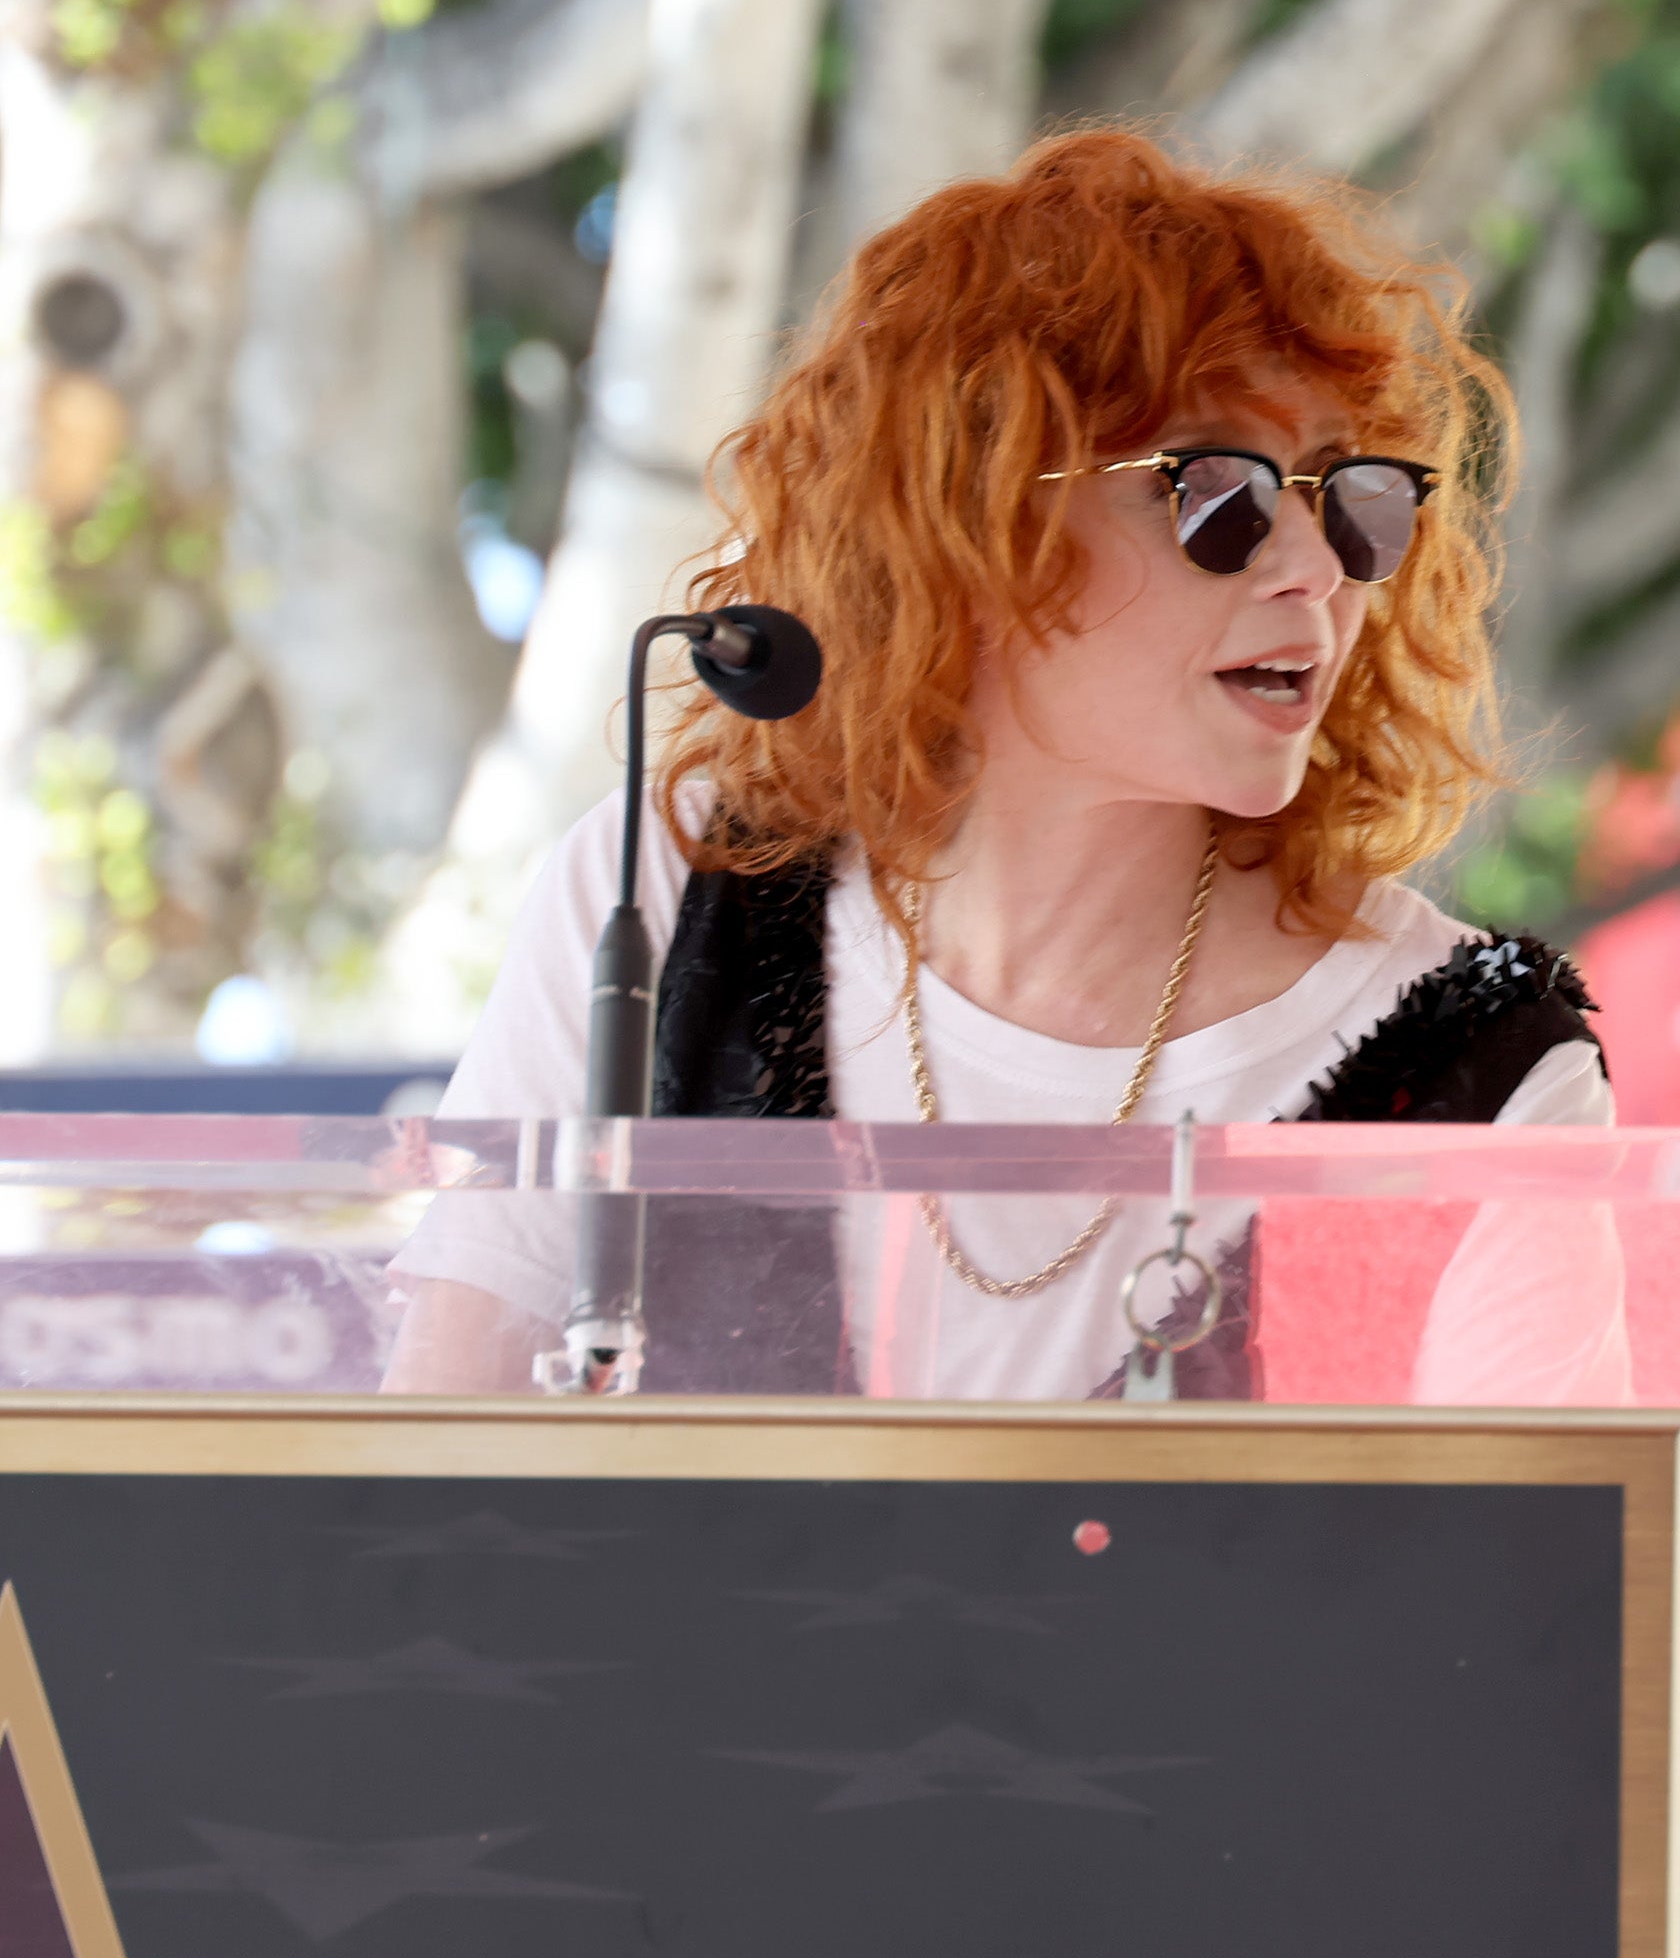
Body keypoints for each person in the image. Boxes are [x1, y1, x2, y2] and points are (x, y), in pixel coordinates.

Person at [387, 132, 1618, 1402]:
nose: (1313, 565)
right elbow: (431, 1485)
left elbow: (1545, 1596)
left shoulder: (1489, 1076)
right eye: (1218, 496)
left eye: (1350, 494)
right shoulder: (665, 890)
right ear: (965, 516)